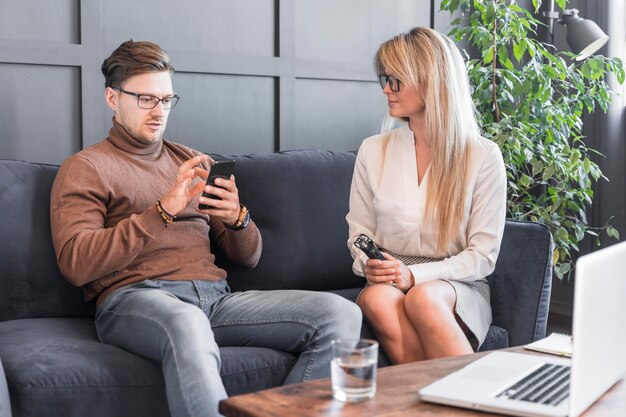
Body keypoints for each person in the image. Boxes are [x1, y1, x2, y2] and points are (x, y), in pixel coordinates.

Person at [50, 40, 362, 417]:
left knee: (341, 314)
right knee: (187, 323)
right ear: (112, 98)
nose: (158, 111)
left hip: (215, 299)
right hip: (135, 300)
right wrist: (163, 210)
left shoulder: (192, 161)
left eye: (166, 100)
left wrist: (237, 218)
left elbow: (248, 257)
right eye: (146, 99)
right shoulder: (87, 167)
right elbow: (76, 263)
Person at [346, 27, 507, 365]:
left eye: (396, 80)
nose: (387, 90)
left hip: (455, 283)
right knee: (376, 299)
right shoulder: (373, 150)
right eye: (384, 79)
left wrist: (416, 276)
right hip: (389, 278)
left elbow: (482, 256)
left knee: (423, 298)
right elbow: (360, 233)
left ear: (431, 81)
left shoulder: (482, 155)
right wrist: (370, 266)